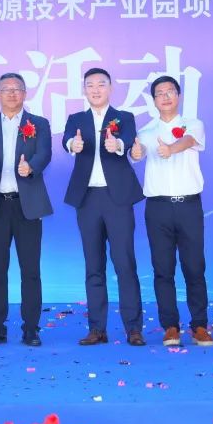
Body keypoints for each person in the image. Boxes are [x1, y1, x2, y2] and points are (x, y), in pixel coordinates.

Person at [62, 68, 145, 346]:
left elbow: (128, 139)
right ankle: (97, 329)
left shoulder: (124, 117)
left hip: (117, 198)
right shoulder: (76, 119)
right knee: (93, 265)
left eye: (101, 84)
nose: (95, 89)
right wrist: (72, 144)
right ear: (84, 90)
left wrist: (117, 144)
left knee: (124, 264)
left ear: (110, 88)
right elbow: (67, 141)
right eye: (90, 85)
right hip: (87, 199)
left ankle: (133, 328)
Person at [0, 73, 53, 347]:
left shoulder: (38, 124)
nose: (11, 93)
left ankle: (31, 329)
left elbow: (44, 154)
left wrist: (32, 167)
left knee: (31, 270)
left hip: (27, 205)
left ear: (24, 94)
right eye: (6, 89)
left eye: (17, 89)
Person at [130, 76, 213, 347]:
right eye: (159, 93)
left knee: (194, 267)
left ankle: (199, 325)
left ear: (178, 96)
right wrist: (136, 153)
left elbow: (188, 141)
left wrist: (170, 149)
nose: (165, 97)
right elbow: (138, 153)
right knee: (162, 269)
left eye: (170, 92)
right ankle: (171, 327)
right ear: (153, 100)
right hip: (158, 208)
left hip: (188, 205)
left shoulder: (193, 123)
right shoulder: (146, 131)